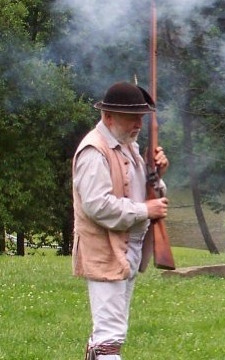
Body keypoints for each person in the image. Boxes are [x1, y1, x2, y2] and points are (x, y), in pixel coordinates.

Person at [72, 81, 169, 360]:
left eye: (141, 117)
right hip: (105, 250)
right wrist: (144, 211)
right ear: (109, 116)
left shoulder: (129, 147)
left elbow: (151, 197)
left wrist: (157, 176)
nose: (138, 124)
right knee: (109, 340)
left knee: (112, 332)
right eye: (132, 117)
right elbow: (98, 206)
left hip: (128, 249)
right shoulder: (94, 151)